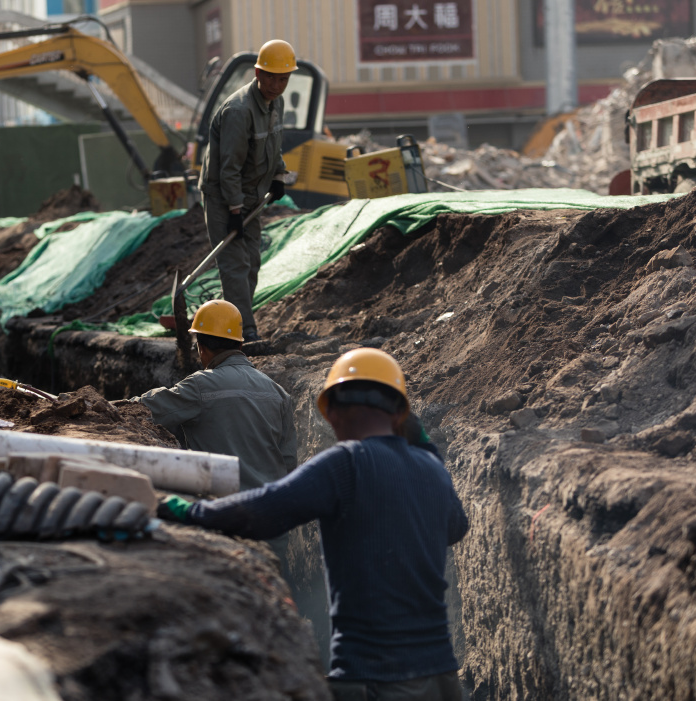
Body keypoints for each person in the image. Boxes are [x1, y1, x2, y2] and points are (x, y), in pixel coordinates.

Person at [158, 348, 469, 701]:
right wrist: (426, 446)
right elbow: (456, 527)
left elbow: (264, 510)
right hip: (443, 677)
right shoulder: (431, 470)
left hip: (377, 679)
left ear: (332, 412)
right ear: (400, 414)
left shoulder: (344, 464)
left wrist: (189, 512)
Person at [133, 299, 296, 491]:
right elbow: (289, 463)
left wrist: (97, 404)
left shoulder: (200, 386)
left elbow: (146, 408)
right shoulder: (279, 392)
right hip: (271, 507)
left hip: (223, 508)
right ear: (240, 345)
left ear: (201, 347)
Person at [198, 39, 298, 342]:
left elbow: (273, 142)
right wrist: (234, 210)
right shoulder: (238, 112)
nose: (276, 85)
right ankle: (242, 331)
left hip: (252, 196)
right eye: (270, 77)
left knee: (252, 260)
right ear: (257, 73)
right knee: (235, 263)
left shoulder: (275, 102)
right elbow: (229, 167)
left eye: (283, 79)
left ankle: (234, 318)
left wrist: (278, 174)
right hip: (223, 198)